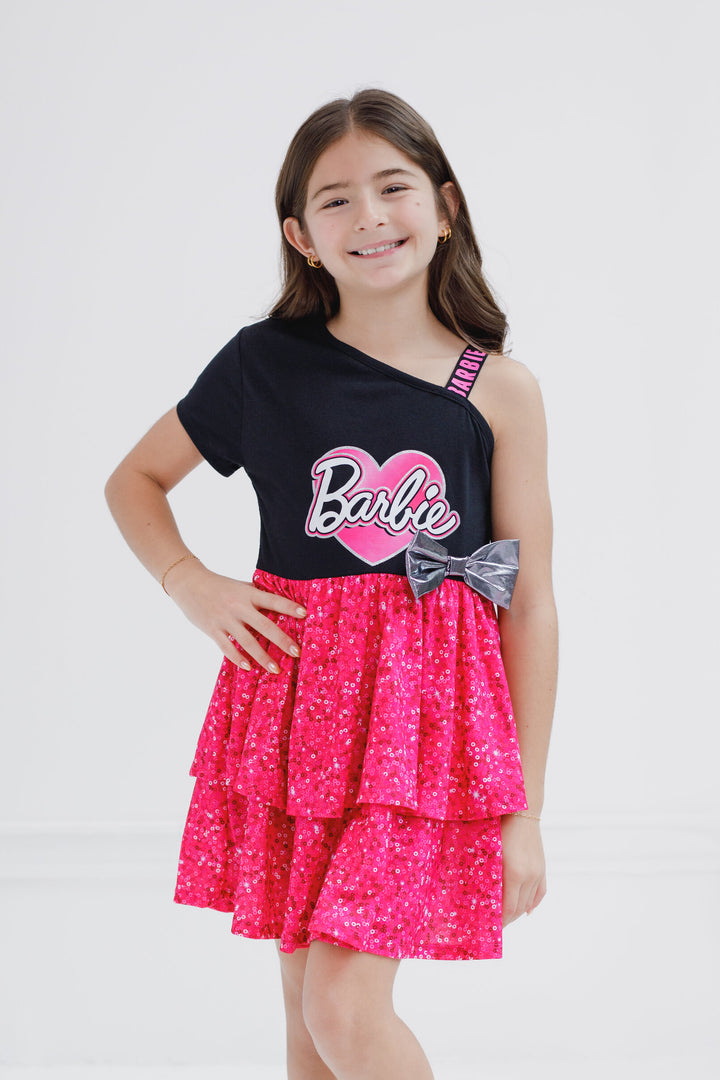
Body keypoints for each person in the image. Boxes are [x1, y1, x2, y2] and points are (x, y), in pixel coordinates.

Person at [105, 88, 558, 1080]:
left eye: (393, 188)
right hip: (296, 708)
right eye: (336, 199)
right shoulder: (263, 365)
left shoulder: (497, 389)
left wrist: (523, 808)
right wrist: (191, 582)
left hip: (423, 728)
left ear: (444, 207)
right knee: (305, 1002)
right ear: (301, 237)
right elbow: (134, 480)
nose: (370, 216)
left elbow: (528, 602)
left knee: (343, 1007)